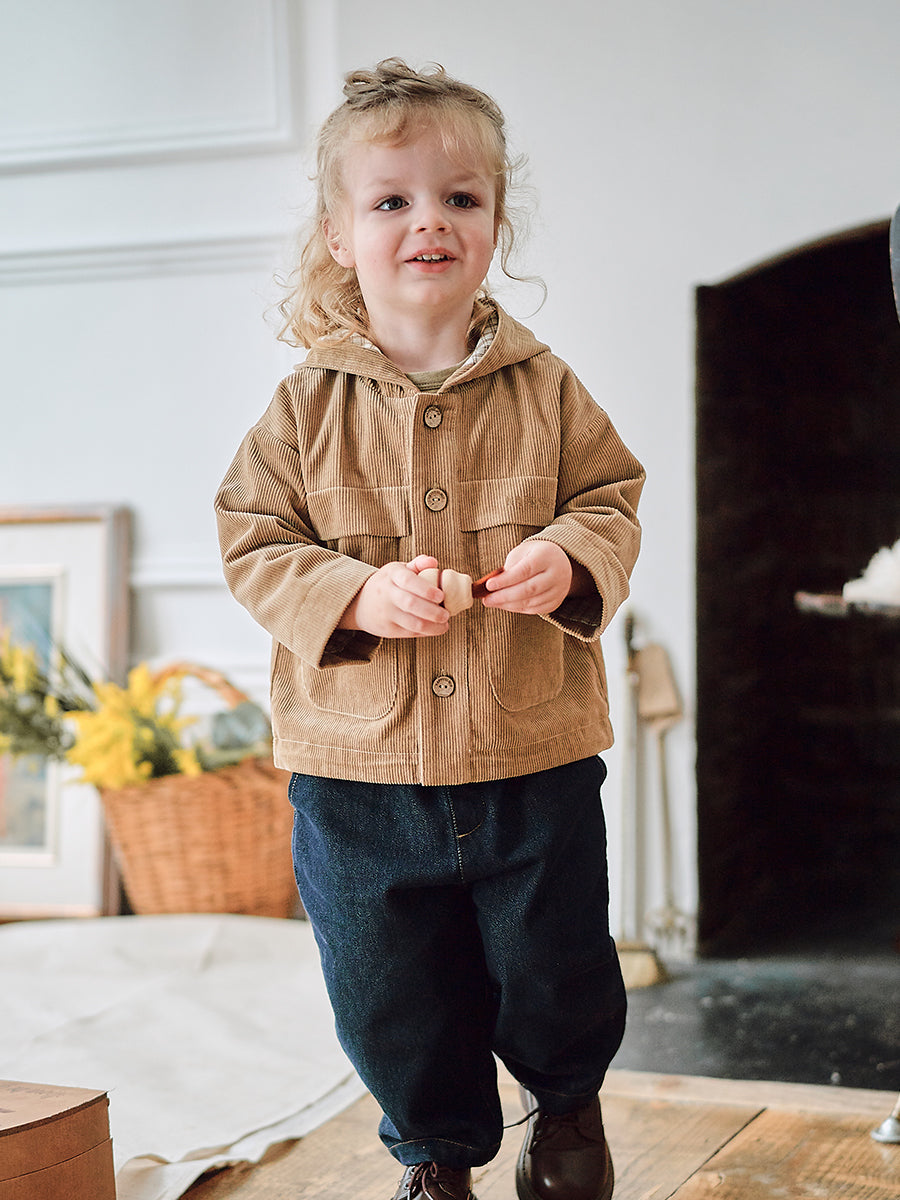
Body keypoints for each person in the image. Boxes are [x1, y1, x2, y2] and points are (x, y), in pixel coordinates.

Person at [215, 57, 644, 1200]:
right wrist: (354, 598)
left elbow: (609, 499)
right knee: (388, 986)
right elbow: (253, 539)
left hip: (530, 751)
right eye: (392, 200)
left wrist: (569, 557)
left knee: (556, 960)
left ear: (497, 221)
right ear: (338, 235)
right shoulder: (304, 409)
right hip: (359, 776)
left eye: (461, 197)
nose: (430, 222)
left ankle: (568, 1108)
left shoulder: (548, 388)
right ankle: (437, 1157)